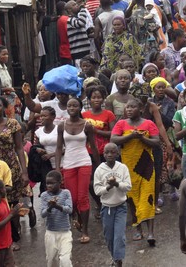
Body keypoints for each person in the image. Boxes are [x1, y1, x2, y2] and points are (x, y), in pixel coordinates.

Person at [111, 99, 160, 245]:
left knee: (148, 196)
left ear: (141, 108)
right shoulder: (121, 124)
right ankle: (138, 228)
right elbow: (113, 139)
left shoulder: (149, 124)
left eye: (133, 107)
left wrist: (142, 138)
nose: (129, 109)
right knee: (132, 198)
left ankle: (151, 232)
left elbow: (156, 142)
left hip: (146, 167)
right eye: (128, 107)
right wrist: (131, 136)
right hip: (128, 167)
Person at [0, 96, 28, 249]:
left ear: (4, 107)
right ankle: (2, 236)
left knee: (12, 203)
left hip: (11, 168)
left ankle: (14, 238)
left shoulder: (13, 123)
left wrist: (24, 171)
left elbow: (19, 148)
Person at [55, 98, 99, 244]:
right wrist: (57, 168)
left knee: (83, 197)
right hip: (68, 163)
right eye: (69, 105)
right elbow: (59, 147)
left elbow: (93, 146)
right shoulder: (61, 126)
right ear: (66, 108)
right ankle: (78, 219)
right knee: (72, 199)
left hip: (84, 162)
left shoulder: (87, 125)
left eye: (75, 105)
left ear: (80, 107)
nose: (72, 107)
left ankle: (85, 231)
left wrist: (99, 167)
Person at [93, 143, 132, 267]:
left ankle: (118, 260)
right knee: (109, 237)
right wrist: (109, 187)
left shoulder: (123, 168)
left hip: (121, 206)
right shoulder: (99, 170)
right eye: (107, 152)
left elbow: (128, 186)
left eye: (113, 152)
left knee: (119, 236)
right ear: (103, 154)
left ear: (118, 153)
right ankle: (114, 257)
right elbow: (97, 190)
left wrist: (117, 184)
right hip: (107, 208)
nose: (109, 154)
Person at [39, 170, 73, 267]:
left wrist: (57, 206)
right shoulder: (44, 195)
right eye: (47, 183)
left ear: (60, 182)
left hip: (65, 232)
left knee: (65, 259)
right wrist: (50, 207)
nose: (49, 186)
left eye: (52, 183)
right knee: (51, 261)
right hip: (51, 233)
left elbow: (69, 210)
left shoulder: (66, 193)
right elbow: (43, 214)